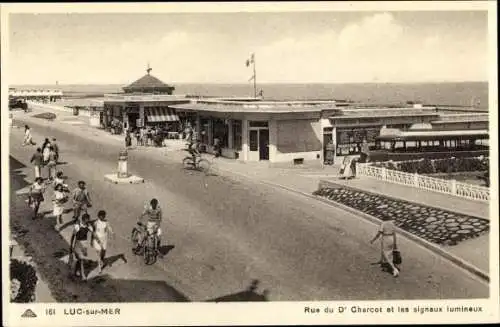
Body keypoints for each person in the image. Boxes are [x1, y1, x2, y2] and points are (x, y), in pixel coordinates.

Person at [370, 211, 400, 277]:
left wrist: (373, 240)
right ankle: (383, 261)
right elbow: (394, 233)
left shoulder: (383, 223)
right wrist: (395, 243)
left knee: (386, 254)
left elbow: (379, 233)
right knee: (390, 252)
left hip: (386, 238)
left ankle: (394, 269)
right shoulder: (392, 223)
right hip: (391, 238)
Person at [69, 213, 94, 281]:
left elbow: (93, 232)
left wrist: (92, 240)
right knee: (76, 260)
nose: (88, 221)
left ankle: (78, 274)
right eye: (86, 220)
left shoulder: (88, 226)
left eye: (88, 220)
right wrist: (71, 246)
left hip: (84, 243)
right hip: (78, 243)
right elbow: (73, 236)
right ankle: (77, 274)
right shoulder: (77, 226)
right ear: (83, 220)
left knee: (80, 260)